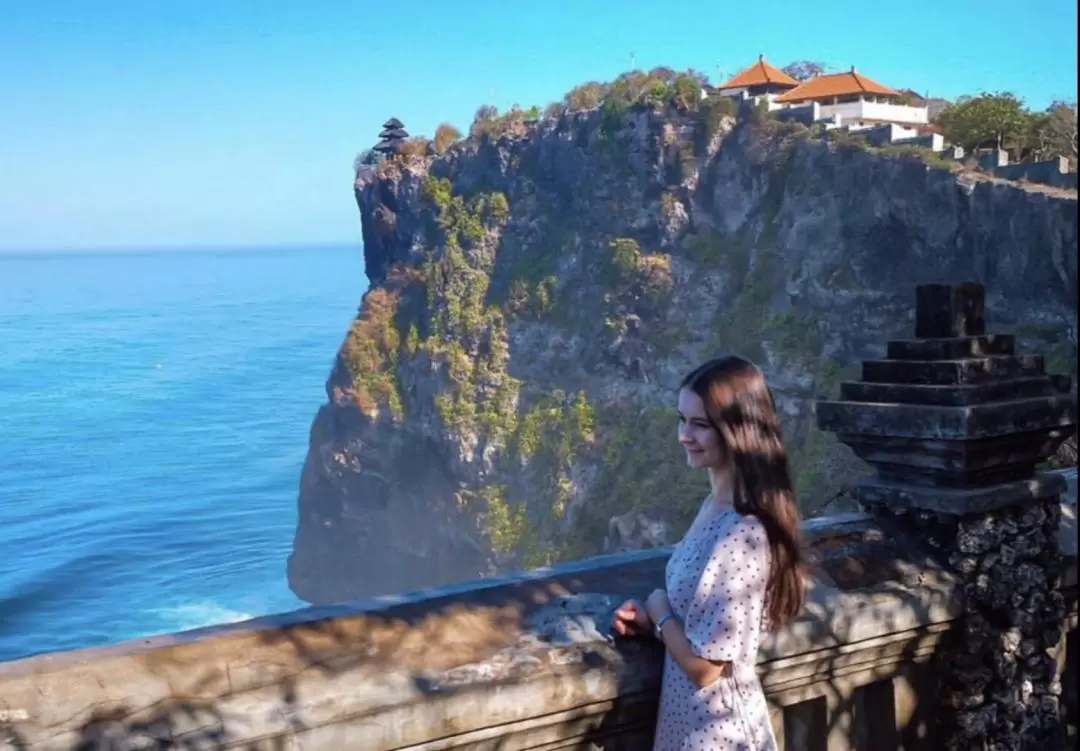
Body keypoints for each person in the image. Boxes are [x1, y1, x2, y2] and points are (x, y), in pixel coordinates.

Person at [611, 356, 807, 750]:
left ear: (738, 431)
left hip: (721, 735)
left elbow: (706, 668)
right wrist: (653, 622)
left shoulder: (743, 530)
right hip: (694, 730)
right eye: (682, 420)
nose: (684, 435)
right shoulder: (714, 506)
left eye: (700, 425)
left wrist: (660, 608)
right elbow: (708, 622)